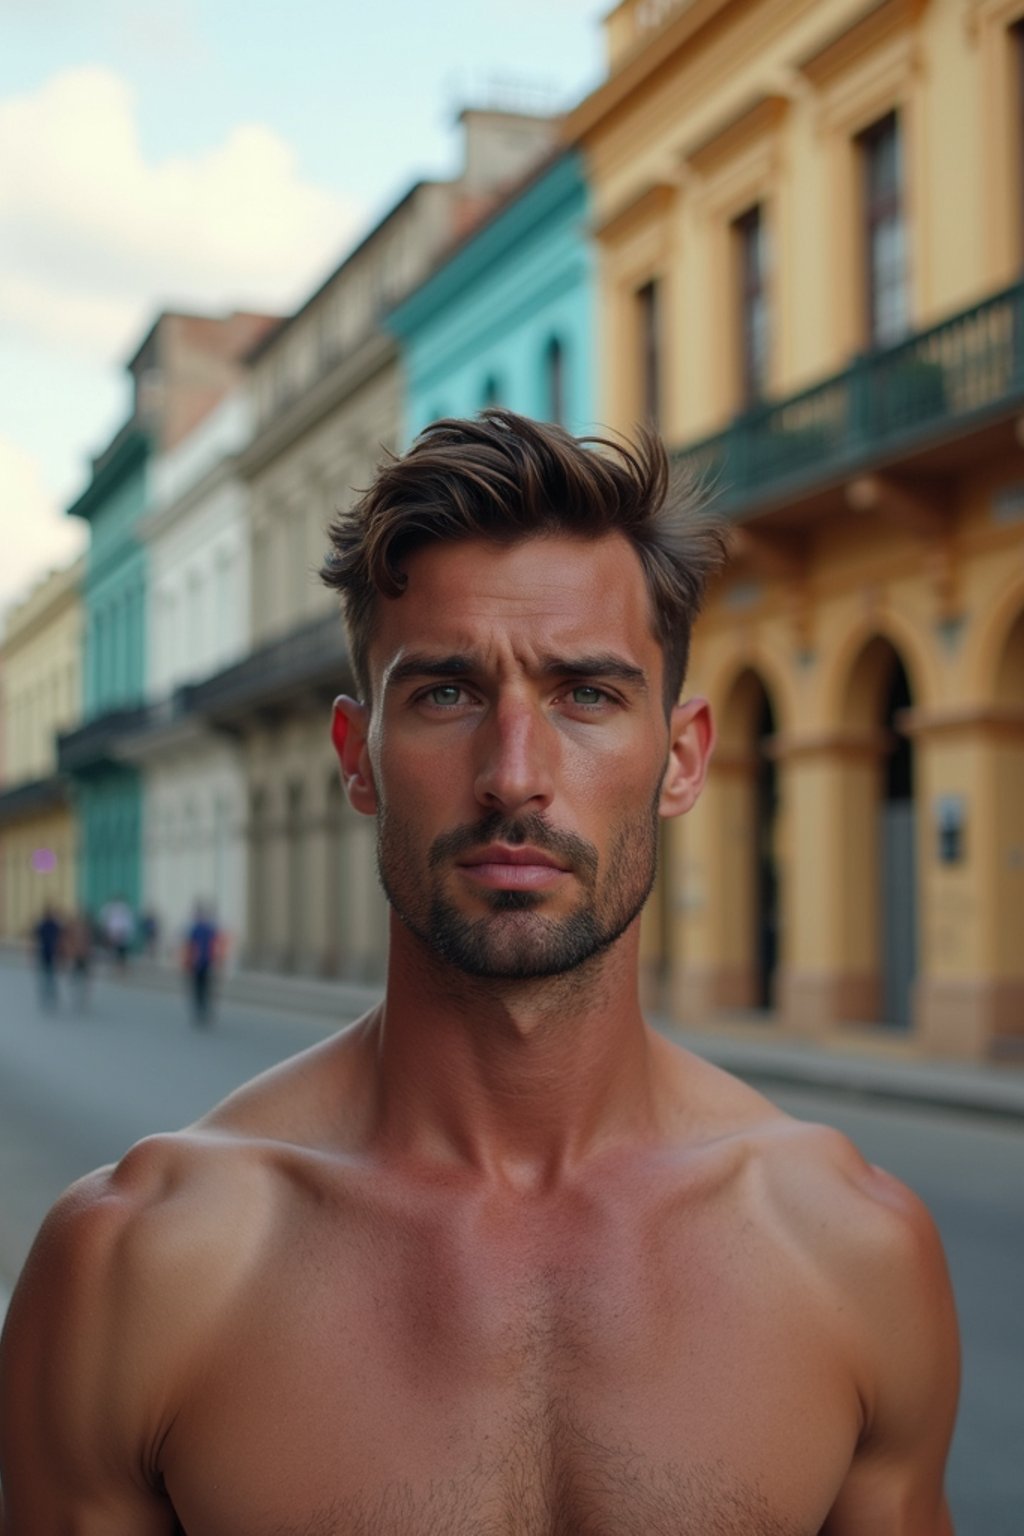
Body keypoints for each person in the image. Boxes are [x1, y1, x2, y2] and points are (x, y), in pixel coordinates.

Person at [0, 412, 959, 1533]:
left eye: (586, 695)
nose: (515, 777)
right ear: (357, 760)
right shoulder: (138, 1266)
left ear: (682, 757)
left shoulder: (849, 1247)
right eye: (447, 694)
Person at [183, 901, 220, 1025]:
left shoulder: (197, 929)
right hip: (204, 963)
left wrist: (189, 961)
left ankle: (202, 1010)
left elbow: (191, 946)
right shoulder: (208, 928)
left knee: (200, 989)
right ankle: (203, 1010)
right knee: (203, 988)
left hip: (199, 963)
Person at [31, 904, 62, 1010]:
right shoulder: (44, 925)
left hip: (51, 954)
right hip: (45, 953)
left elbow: (61, 938)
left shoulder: (53, 925)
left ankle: (51, 995)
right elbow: (34, 939)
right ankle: (47, 995)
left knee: (50, 976)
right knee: (46, 976)